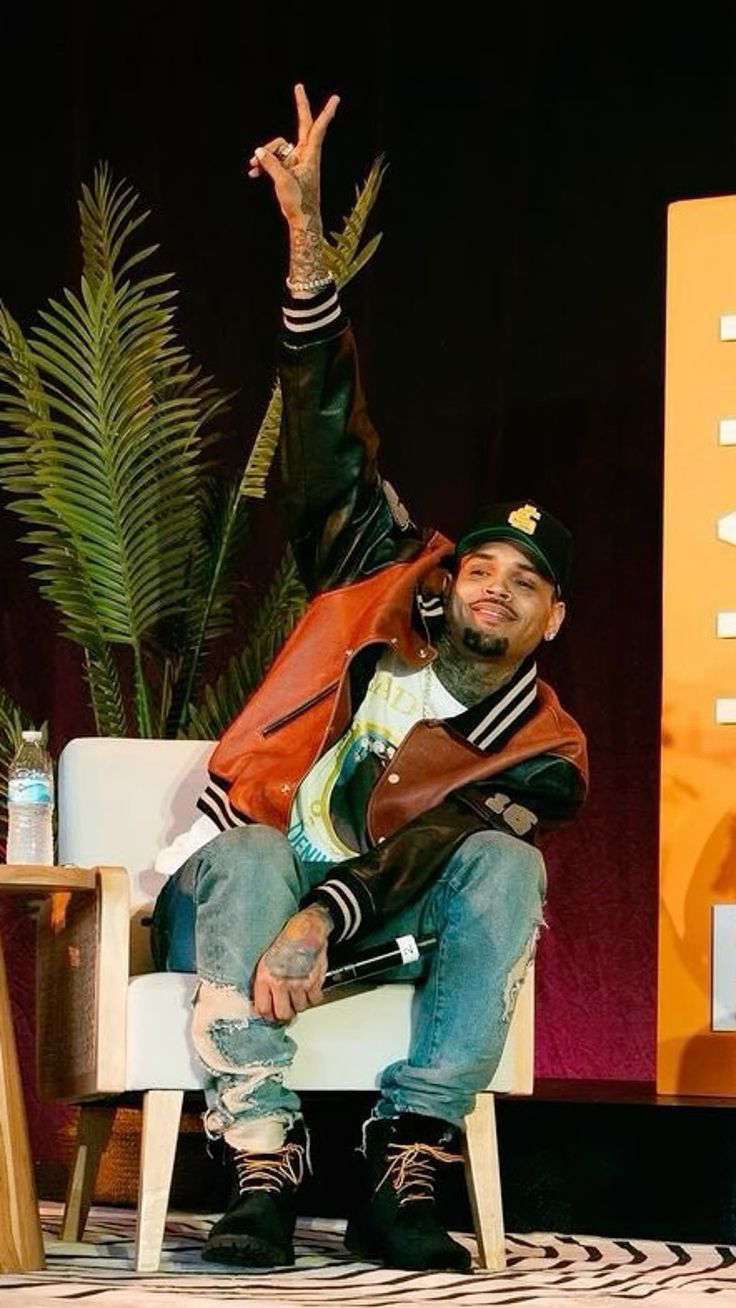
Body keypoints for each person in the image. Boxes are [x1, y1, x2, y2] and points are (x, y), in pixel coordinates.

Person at [150, 83, 588, 1274]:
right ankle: (259, 1164)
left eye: (526, 582)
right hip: (257, 879)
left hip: (374, 916)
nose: (493, 585)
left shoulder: (546, 747)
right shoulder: (381, 579)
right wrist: (304, 244)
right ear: (448, 583)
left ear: (552, 620)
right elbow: (328, 430)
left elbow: (435, 840)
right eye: (482, 564)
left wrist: (325, 915)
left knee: (501, 861)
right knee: (241, 850)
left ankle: (409, 1157)